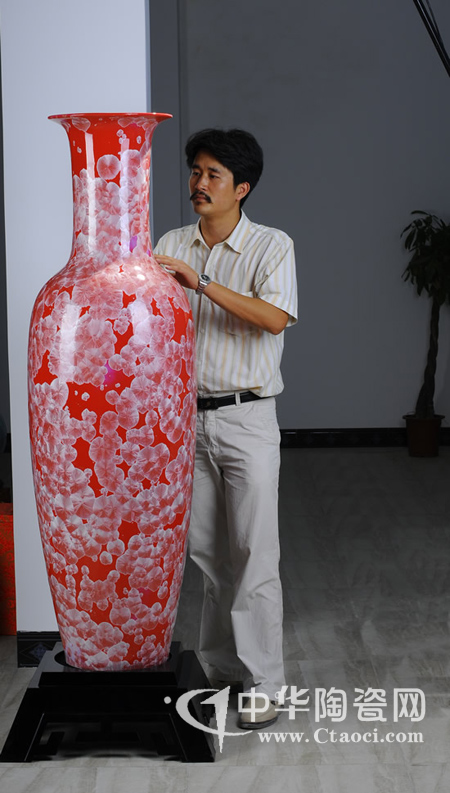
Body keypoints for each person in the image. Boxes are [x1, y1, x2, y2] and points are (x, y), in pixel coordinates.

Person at [154, 128, 297, 729]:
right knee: (209, 557)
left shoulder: (271, 245)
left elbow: (274, 318)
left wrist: (202, 284)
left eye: (213, 174)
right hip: (186, 421)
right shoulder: (170, 243)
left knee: (254, 554)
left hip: (247, 418)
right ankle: (219, 670)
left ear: (242, 188)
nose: (199, 183)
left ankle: (265, 684)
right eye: (195, 171)